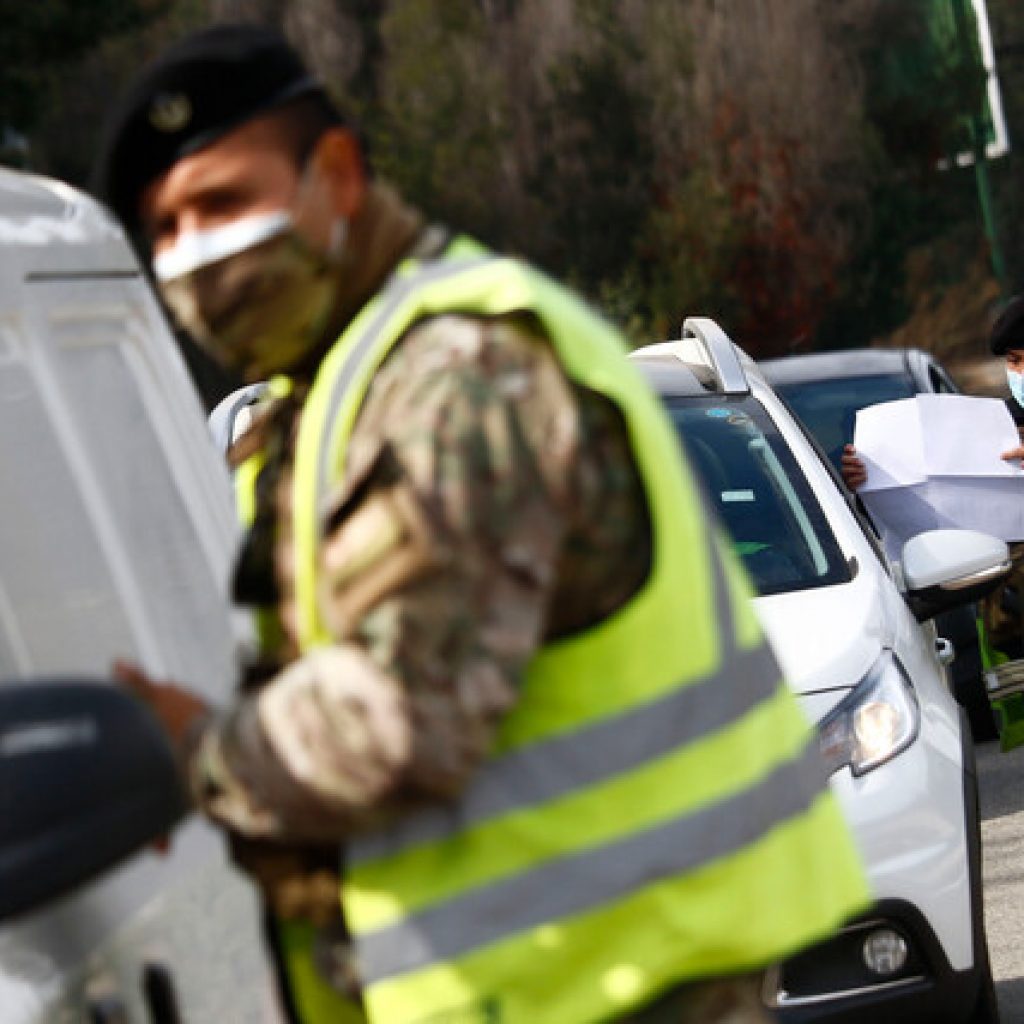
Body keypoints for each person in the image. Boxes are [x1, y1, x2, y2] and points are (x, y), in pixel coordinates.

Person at [93, 24, 868, 1024]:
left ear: (336, 172)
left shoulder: (458, 375)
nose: (193, 255)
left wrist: (192, 753)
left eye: (222, 202)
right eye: (163, 230)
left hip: (613, 988)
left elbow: (402, 721)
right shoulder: (331, 397)